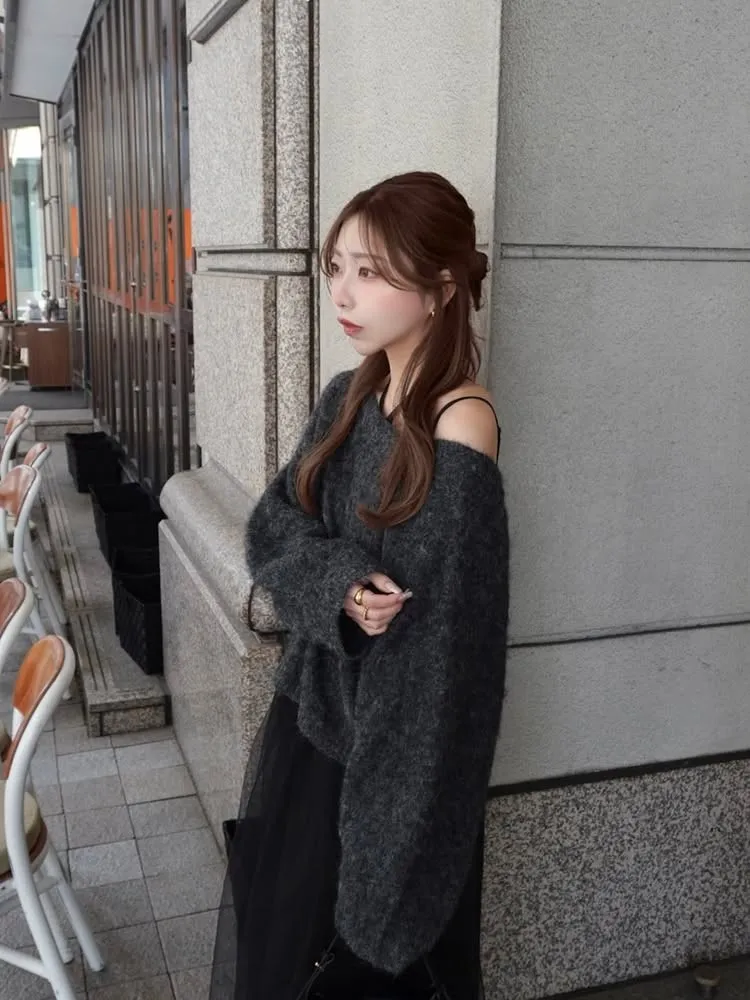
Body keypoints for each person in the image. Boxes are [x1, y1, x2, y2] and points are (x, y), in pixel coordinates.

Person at [210, 171, 510, 1000]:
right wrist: (342, 586)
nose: (342, 293)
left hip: (388, 766)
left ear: (440, 288)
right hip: (314, 722)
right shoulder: (350, 394)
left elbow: (447, 664)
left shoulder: (459, 424)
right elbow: (272, 525)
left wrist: (397, 835)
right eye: (336, 267)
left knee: (365, 963)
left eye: (370, 272)